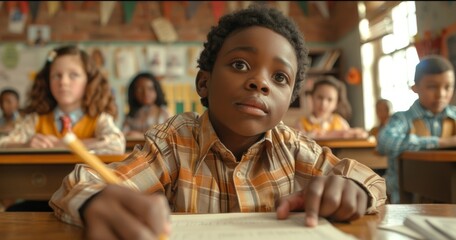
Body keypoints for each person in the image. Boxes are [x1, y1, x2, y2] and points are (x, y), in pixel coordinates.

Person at [49, 5, 386, 239]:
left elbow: (372, 181)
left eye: (280, 77)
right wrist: (96, 201)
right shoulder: (174, 142)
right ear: (204, 83)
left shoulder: (292, 147)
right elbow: (84, 182)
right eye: (240, 65)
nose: (260, 83)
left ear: (290, 100)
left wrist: (353, 189)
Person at [0, 45, 125, 155]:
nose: (63, 82)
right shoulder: (35, 120)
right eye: (57, 76)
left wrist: (65, 145)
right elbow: (3, 143)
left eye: (73, 75)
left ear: (89, 81)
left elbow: (117, 144)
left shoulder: (99, 119)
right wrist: (25, 146)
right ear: (47, 81)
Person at [377, 55, 456, 204]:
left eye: (448, 87)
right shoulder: (402, 119)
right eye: (432, 86)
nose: (441, 94)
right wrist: (442, 142)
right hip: (406, 200)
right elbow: (384, 142)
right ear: (415, 88)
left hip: (450, 198)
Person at [294, 76, 368, 140]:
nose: (323, 104)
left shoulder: (340, 122)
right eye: (320, 97)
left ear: (336, 103)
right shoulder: (301, 123)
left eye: (330, 100)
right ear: (312, 97)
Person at [122, 72, 170, 137]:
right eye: (140, 89)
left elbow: (165, 137)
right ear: (133, 92)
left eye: (150, 89)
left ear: (156, 90)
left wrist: (140, 136)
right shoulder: (131, 115)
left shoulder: (163, 113)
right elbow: (124, 134)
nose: (145, 93)